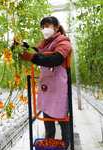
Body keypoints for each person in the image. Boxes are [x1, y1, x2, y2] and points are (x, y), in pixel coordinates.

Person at [19, 16, 72, 149]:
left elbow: (56, 59)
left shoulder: (64, 42)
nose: (45, 29)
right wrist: (24, 47)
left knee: (62, 118)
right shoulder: (44, 44)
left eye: (47, 26)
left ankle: (66, 144)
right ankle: (49, 143)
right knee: (48, 118)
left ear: (56, 27)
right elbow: (33, 51)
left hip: (59, 87)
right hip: (46, 87)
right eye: (43, 27)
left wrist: (34, 56)